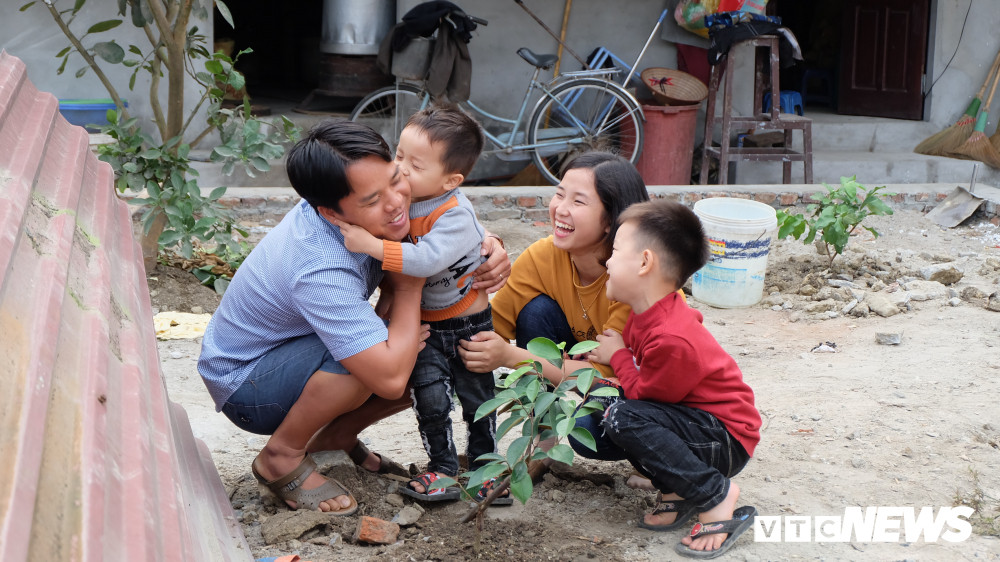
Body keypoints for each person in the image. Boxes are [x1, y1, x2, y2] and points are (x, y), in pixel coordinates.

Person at [197, 120, 509, 513]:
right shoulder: (320, 267)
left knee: (427, 349)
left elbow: (446, 216)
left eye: (397, 178)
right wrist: (410, 284)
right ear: (331, 212)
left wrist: (490, 244)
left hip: (297, 347)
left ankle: (336, 436)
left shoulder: (371, 206)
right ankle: (282, 455)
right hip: (250, 384)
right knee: (396, 359)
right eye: (372, 200)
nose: (397, 202)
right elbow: (390, 377)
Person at [335, 106, 509, 504]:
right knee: (429, 400)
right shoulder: (405, 200)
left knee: (477, 401)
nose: (400, 169)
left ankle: (486, 467)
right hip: (427, 326)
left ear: (452, 180)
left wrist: (372, 246)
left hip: (470, 328)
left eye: (414, 164)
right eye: (398, 156)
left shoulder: (454, 213)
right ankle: (443, 469)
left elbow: (427, 260)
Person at [587, 199, 761, 558]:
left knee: (622, 415)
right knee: (604, 408)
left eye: (616, 251)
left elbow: (642, 397)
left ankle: (715, 493)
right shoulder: (643, 315)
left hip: (725, 439)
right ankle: (676, 491)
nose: (607, 261)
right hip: (697, 425)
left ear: (645, 262)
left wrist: (617, 355)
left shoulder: (671, 336)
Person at [457, 151, 650, 462]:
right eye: (559, 194)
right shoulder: (542, 257)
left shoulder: (635, 278)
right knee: (534, 312)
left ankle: (655, 465)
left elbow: (607, 375)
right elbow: (491, 324)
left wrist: (511, 356)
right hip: (583, 360)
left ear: (610, 220)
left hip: (637, 385)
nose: (560, 209)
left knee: (592, 431)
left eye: (578, 201)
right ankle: (543, 449)